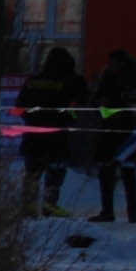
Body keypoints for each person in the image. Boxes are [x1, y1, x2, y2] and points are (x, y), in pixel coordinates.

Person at [25, 41, 91, 217]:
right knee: (55, 171)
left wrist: (32, 119)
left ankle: (29, 206)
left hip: (33, 134)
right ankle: (49, 205)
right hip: (58, 134)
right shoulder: (73, 81)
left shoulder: (34, 81)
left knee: (33, 171)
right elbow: (82, 104)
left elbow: (20, 106)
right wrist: (71, 119)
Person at [93, 46, 136, 224]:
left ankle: (132, 213)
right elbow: (96, 100)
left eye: (112, 63)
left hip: (126, 132)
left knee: (127, 171)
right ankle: (108, 211)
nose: (109, 65)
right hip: (108, 130)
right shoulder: (107, 79)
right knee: (106, 171)